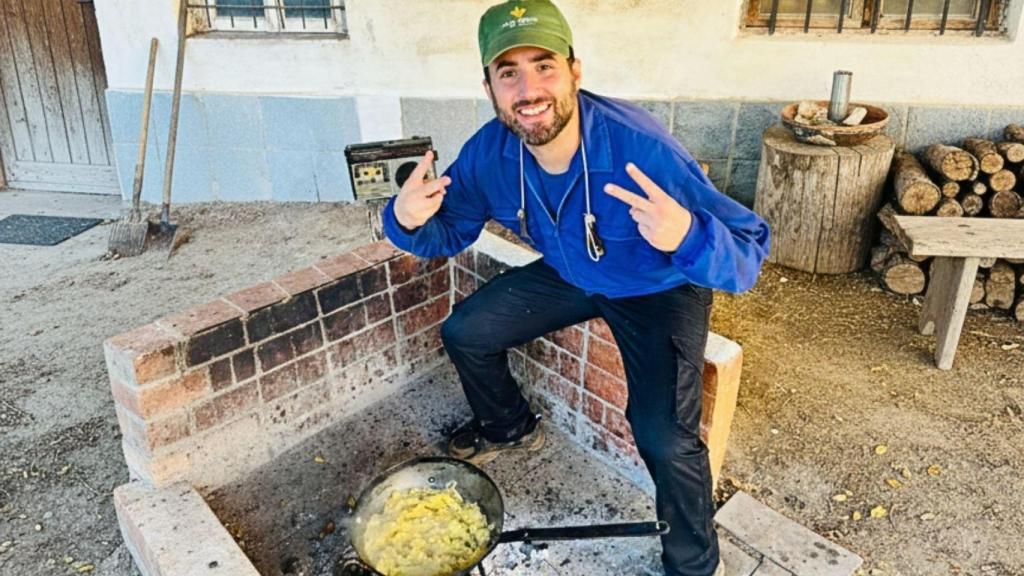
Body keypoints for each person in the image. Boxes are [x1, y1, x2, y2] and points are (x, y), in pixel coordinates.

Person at [382, 1, 770, 574]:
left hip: (656, 287)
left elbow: (748, 255)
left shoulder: (641, 150)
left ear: (574, 71)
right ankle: (509, 428)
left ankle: (693, 564)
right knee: (467, 331)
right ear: (489, 86)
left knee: (663, 436)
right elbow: (451, 229)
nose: (528, 88)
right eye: (508, 72)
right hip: (572, 272)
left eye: (543, 66)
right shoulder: (490, 151)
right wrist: (404, 220)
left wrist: (686, 233)